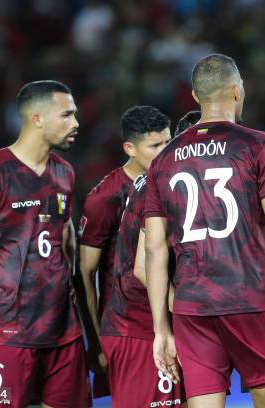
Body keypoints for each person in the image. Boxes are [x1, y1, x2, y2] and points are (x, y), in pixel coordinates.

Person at [143, 53, 265, 408]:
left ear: (195, 97)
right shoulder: (259, 145)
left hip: (194, 307)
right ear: (238, 91)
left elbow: (154, 249)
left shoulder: (162, 160)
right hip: (251, 297)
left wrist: (160, 328)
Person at [0, 80, 89, 408]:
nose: (76, 123)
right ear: (37, 118)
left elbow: (66, 242)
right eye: (67, 115)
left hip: (63, 333)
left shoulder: (65, 173)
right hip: (8, 334)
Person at [77, 105, 171, 391]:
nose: (165, 152)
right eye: (155, 145)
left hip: (174, 321)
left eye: (169, 142)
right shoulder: (105, 198)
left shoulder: (174, 184)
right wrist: (94, 343)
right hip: (130, 328)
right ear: (130, 148)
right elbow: (84, 273)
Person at [99, 123, 185, 407]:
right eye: (156, 145)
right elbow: (142, 268)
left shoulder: (157, 183)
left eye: (167, 143)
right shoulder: (156, 186)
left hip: (157, 326)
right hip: (136, 327)